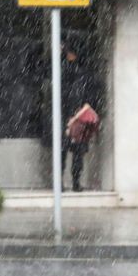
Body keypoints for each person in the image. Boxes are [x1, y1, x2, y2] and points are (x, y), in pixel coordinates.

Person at [61, 41, 98, 192]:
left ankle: (68, 182)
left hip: (70, 116)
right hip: (75, 116)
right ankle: (74, 182)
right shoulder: (81, 73)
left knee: (68, 152)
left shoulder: (65, 71)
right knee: (75, 152)